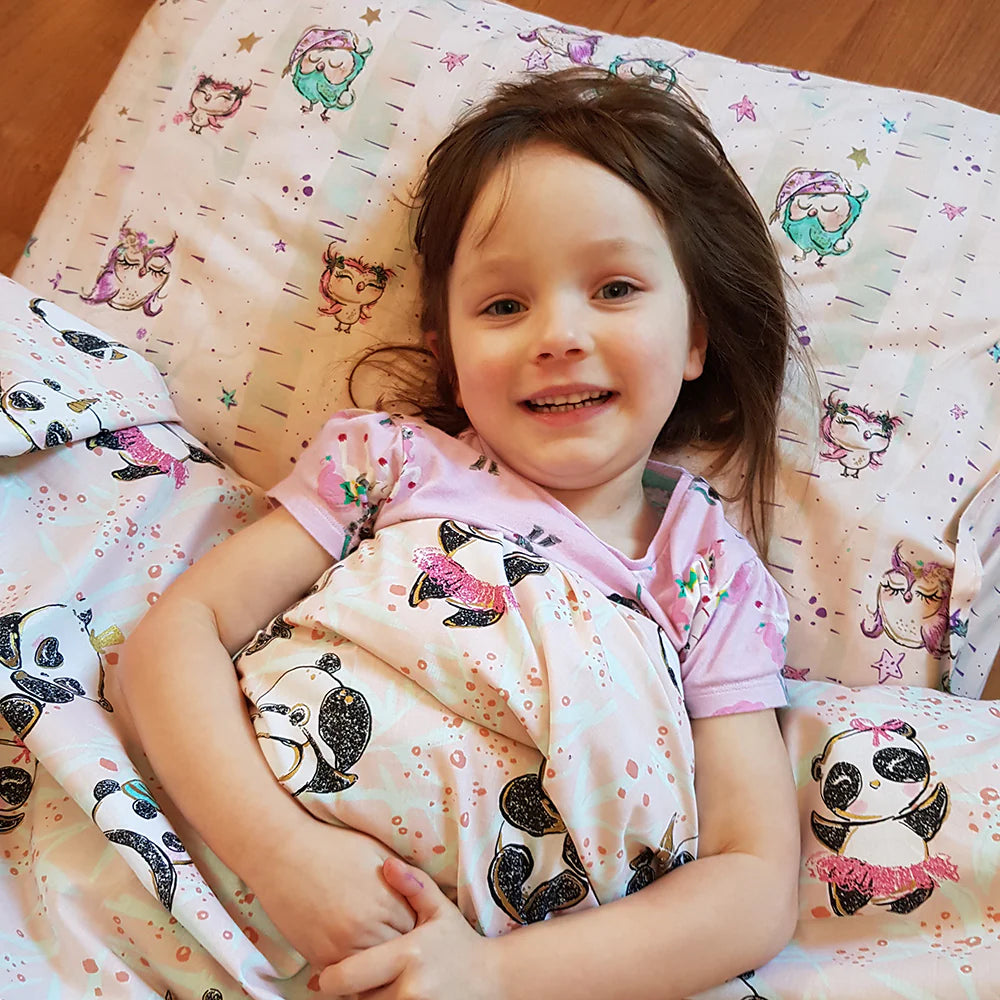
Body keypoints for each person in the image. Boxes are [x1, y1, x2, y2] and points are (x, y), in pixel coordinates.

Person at [122, 67, 801, 1000]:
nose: (558, 335)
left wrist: (490, 975)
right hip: (225, 887)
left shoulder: (708, 574)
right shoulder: (391, 466)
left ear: (695, 338)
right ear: (446, 350)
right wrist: (281, 854)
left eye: (614, 288)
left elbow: (753, 883)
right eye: (503, 306)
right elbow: (172, 641)